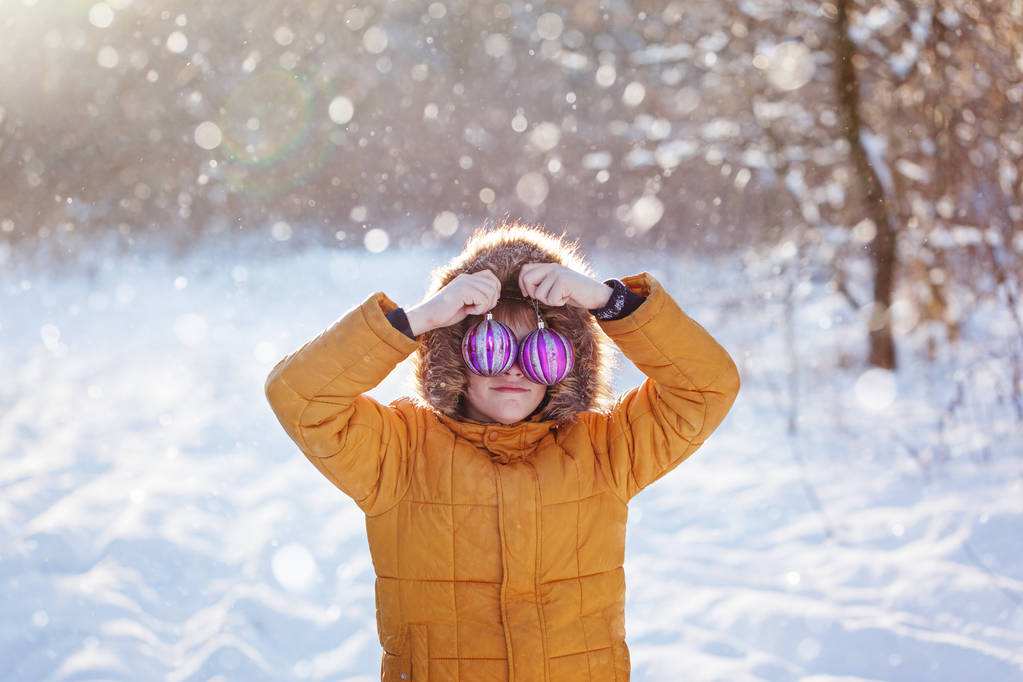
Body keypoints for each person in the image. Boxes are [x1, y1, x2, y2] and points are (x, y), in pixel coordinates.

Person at [264, 219, 741, 681]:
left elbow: (706, 387)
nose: (514, 371)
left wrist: (607, 302)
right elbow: (299, 396)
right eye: (490, 347)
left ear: (566, 364)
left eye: (541, 352)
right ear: (455, 357)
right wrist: (420, 320)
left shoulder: (603, 450)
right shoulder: (400, 452)